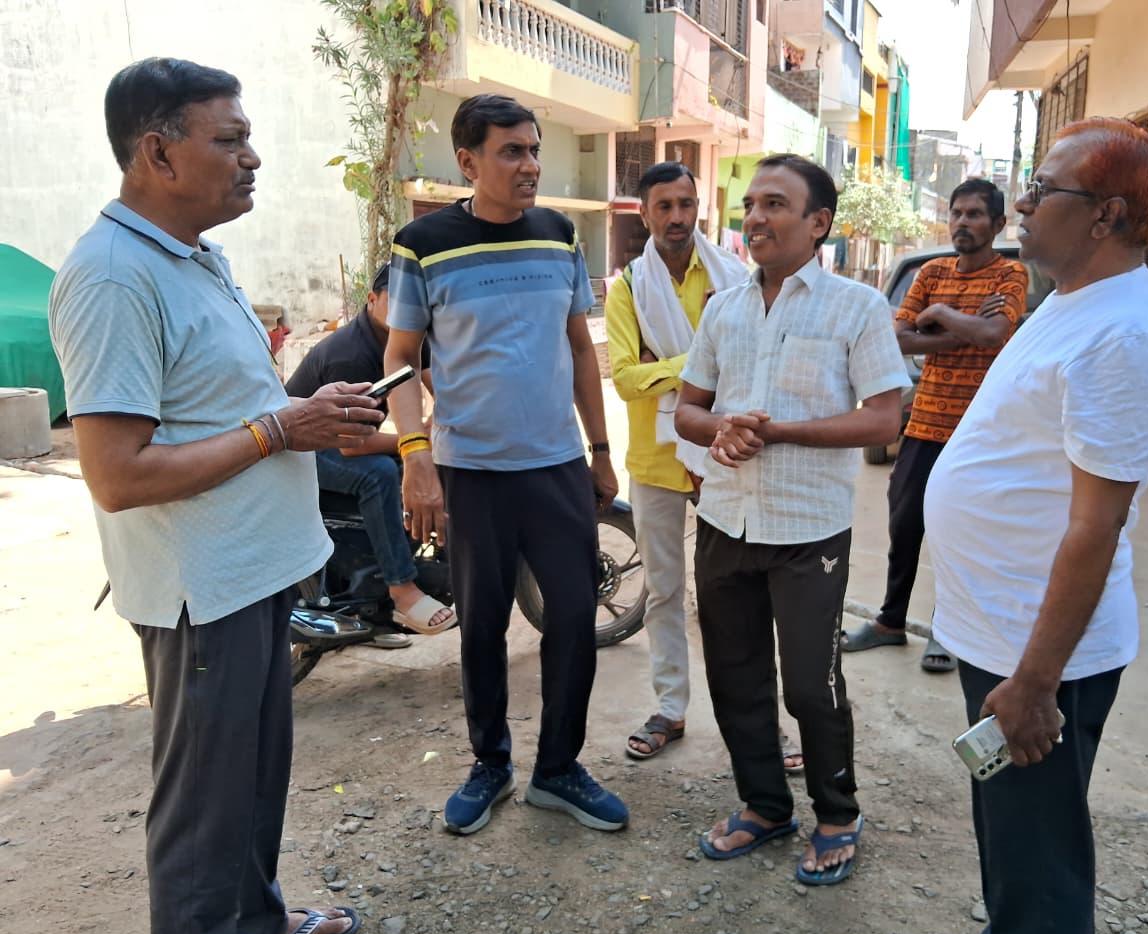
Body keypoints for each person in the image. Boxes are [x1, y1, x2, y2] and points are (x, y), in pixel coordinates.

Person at [47, 58, 380, 934]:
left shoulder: (194, 258)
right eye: (229, 141)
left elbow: (220, 408)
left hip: (252, 573)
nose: (252, 158)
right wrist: (280, 428)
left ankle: (256, 927)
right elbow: (117, 474)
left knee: (252, 783)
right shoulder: (113, 277)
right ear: (158, 153)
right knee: (205, 808)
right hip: (203, 594)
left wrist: (304, 417)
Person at [923, 119, 1148, 934]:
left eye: (1042, 190)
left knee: (1039, 865)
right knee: (1014, 846)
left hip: (1040, 654)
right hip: (1003, 629)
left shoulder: (1127, 337)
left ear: (1106, 215)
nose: (1023, 204)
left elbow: (1096, 525)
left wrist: (1036, 683)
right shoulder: (1075, 302)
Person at [383, 94, 628, 836]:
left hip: (555, 465)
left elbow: (580, 347)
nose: (529, 165)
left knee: (575, 615)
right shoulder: (423, 244)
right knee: (482, 625)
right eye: (511, 151)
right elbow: (401, 357)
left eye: (533, 150)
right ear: (468, 161)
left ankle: (558, 769)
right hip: (473, 472)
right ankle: (490, 763)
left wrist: (601, 450)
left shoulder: (559, 234)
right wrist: (415, 455)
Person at [674, 154, 910, 885]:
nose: (755, 217)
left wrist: (777, 433)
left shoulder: (857, 307)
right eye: (750, 204)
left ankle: (837, 814)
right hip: (725, 520)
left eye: (775, 203)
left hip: (809, 530)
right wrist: (721, 428)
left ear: (818, 223)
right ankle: (766, 805)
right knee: (735, 676)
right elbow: (686, 410)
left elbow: (884, 419)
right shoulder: (724, 308)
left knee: (811, 684)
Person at [604, 162, 804, 773]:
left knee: (744, 597)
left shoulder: (736, 278)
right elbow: (625, 379)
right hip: (657, 461)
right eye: (663, 206)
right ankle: (670, 709)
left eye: (686, 204)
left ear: (699, 207)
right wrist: (700, 364)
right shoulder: (628, 288)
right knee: (664, 590)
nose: (677, 217)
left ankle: (765, 724)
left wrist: (667, 365)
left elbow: (754, 359)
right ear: (644, 214)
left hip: (724, 452)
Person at [842, 179, 1028, 672]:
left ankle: (947, 632)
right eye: (957, 213)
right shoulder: (931, 271)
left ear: (998, 223)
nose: (963, 222)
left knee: (960, 532)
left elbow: (995, 333)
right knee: (904, 525)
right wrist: (965, 330)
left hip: (979, 432)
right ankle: (890, 622)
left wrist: (940, 313)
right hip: (924, 422)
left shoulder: (1010, 274)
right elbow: (897, 339)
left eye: (975, 214)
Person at [285, 263, 456, 640]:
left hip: (343, 441)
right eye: (396, 301)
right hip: (300, 450)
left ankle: (378, 606)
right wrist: (416, 441)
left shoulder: (411, 338)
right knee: (380, 473)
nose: (406, 311)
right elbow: (351, 446)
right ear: (372, 299)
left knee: (422, 462)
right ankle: (401, 589)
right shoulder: (349, 354)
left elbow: (442, 391)